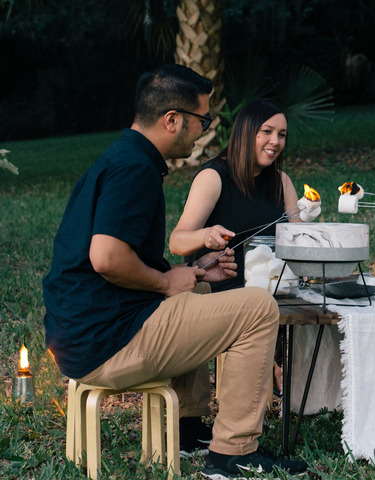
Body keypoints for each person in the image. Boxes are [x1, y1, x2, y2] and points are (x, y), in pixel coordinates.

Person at [42, 64, 308, 479]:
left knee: (197, 293)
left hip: (86, 332)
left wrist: (195, 273)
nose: (202, 131)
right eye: (200, 120)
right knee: (257, 307)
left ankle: (190, 427)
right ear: (172, 120)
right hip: (108, 342)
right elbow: (106, 257)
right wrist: (166, 281)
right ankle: (232, 454)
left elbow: (121, 259)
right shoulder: (135, 170)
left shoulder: (123, 157)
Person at [169, 98, 301, 293]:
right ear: (245, 132)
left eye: (282, 135)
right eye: (267, 131)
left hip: (278, 291)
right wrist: (206, 235)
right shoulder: (213, 177)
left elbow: (300, 240)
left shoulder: (282, 181)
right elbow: (176, 243)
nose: (276, 141)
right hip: (224, 292)